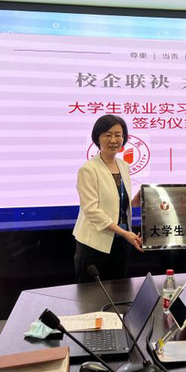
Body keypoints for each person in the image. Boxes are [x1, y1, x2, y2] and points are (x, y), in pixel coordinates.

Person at [73, 114, 143, 283]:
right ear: (98, 138)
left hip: (120, 243)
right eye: (108, 135)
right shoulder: (88, 169)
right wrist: (124, 233)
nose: (114, 140)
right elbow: (92, 210)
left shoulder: (123, 166)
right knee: (91, 295)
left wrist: (137, 200)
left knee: (120, 293)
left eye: (118, 135)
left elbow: (116, 203)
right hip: (94, 244)